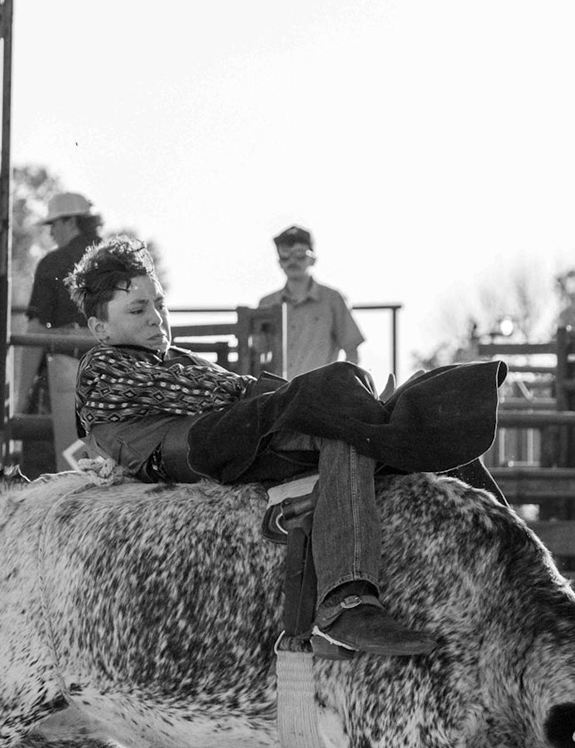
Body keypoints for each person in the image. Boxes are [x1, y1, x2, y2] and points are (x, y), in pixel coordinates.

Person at [72, 237, 505, 657]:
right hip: (192, 447)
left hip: (228, 432)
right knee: (337, 387)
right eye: (138, 309)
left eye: (159, 304)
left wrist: (305, 399)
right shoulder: (103, 365)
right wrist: (298, 396)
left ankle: (504, 548)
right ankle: (345, 596)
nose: (156, 318)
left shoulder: (176, 357)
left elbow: (229, 388)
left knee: (360, 421)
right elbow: (203, 392)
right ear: (100, 328)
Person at [24, 193, 104, 466]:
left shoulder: (53, 263)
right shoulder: (117, 263)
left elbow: (34, 330)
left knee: (46, 460)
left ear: (71, 222)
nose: (51, 232)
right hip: (113, 380)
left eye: (54, 224)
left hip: (62, 381)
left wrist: (19, 400)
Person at [257, 225, 366, 378]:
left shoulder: (332, 299)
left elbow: (352, 351)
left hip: (319, 390)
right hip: (277, 391)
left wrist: (343, 385)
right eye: (285, 254)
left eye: (300, 254)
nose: (292, 261)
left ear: (313, 259)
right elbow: (255, 354)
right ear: (279, 262)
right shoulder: (266, 303)